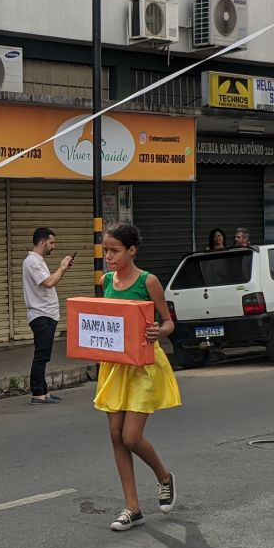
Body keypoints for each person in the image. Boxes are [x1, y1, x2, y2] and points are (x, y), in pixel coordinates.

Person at [91, 223, 180, 532]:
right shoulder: (105, 281)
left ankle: (164, 477)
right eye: (106, 250)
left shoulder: (148, 281)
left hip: (143, 365)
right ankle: (132, 507)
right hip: (115, 366)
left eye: (114, 251)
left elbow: (168, 322)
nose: (108, 257)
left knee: (131, 437)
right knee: (116, 436)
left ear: (132, 251)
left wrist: (159, 331)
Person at [23, 228, 75, 406]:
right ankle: (38, 393)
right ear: (42, 242)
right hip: (41, 314)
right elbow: (49, 282)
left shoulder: (38, 261)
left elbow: (50, 281)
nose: (53, 246)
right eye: (51, 243)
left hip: (46, 314)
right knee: (42, 355)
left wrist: (63, 269)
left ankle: (44, 392)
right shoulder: (32, 263)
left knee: (43, 355)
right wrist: (62, 267)